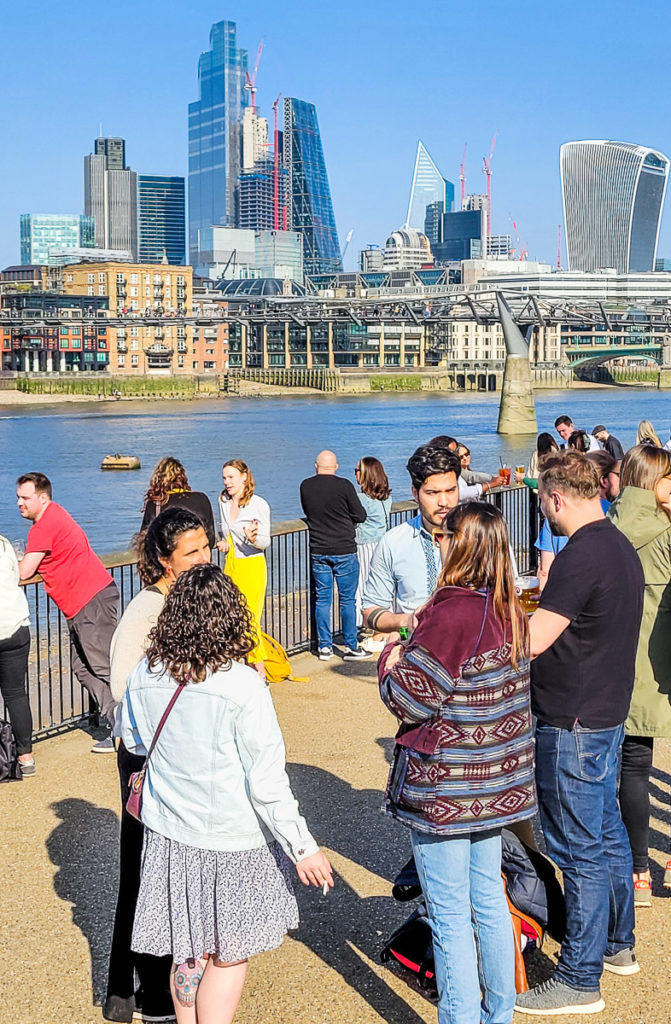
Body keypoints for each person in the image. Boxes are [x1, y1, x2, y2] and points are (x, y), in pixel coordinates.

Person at [120, 563, 333, 1024]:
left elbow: (134, 742)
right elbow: (267, 780)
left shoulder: (145, 673)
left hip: (169, 835)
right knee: (228, 952)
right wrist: (303, 846)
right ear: (228, 618)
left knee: (187, 947)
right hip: (231, 838)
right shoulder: (242, 685)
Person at [379, 502, 536, 1024]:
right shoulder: (511, 610)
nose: (438, 542)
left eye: (445, 536)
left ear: (456, 545)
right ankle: (499, 1013)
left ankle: (463, 1017)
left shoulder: (454, 611)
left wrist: (389, 661)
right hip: (493, 785)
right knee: (488, 899)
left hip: (447, 789)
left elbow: (409, 699)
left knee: (449, 915)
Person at [515, 452, 644, 1017]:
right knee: (607, 832)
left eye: (542, 498)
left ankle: (578, 976)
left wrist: (491, 620)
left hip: (573, 721)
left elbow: (535, 639)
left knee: (579, 848)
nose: (542, 506)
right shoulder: (617, 544)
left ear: (557, 498)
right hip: (606, 711)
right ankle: (617, 944)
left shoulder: (579, 556)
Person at [104, 509, 211, 1024]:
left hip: (177, 751)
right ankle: (131, 986)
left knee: (168, 871)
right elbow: (123, 689)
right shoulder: (147, 609)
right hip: (145, 754)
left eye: (206, 547)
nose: (204, 558)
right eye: (192, 552)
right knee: (141, 869)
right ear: (165, 562)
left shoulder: (192, 604)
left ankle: (153, 983)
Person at [607, 445, 671, 908]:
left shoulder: (605, 526)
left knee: (632, 764)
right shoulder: (667, 529)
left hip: (624, 662)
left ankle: (637, 870)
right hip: (663, 658)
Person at [16, 472, 119, 752]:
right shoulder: (55, 515)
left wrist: (8, 562)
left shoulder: (44, 525)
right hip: (86, 601)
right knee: (82, 668)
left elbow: (24, 571)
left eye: (25, 498)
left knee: (105, 667)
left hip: (90, 600)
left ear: (43, 497)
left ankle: (135, 730)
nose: (19, 504)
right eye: (18, 498)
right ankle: (118, 723)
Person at [362, 445, 461, 635]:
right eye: (432, 493)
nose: (444, 502)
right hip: (417, 656)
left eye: (450, 490)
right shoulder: (393, 542)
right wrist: (406, 620)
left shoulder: (483, 536)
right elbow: (370, 611)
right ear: (415, 493)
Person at [299, 450, 371, 661]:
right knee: (347, 600)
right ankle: (350, 646)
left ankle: (324, 646)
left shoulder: (306, 486)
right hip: (344, 548)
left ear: (316, 466)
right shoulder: (345, 486)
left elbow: (308, 510)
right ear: (336, 467)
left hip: (319, 549)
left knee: (323, 599)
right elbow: (360, 515)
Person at [217, 459, 271, 669]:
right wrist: (224, 543)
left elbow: (265, 542)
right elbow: (226, 534)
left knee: (250, 619)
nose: (227, 482)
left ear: (244, 477)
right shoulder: (222, 502)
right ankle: (239, 666)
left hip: (252, 566)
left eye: (231, 477)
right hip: (231, 566)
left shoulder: (258, 504)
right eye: (224, 478)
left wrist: (252, 538)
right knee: (231, 617)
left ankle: (259, 672)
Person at [0, 535, 34, 776]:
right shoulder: (4, 544)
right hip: (15, 624)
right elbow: (16, 576)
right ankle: (25, 757)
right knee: (15, 694)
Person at [353, 457, 392, 653]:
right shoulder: (386, 498)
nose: (356, 474)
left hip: (365, 545)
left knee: (363, 586)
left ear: (367, 474)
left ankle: (370, 626)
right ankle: (382, 625)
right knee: (382, 584)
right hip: (382, 542)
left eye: (358, 470)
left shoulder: (362, 500)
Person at [140, 457, 216, 548]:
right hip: (200, 556)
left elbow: (146, 540)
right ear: (183, 477)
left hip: (172, 558)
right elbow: (211, 537)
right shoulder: (202, 498)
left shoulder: (155, 504)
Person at [428, 436, 503, 497]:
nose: (464, 458)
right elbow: (459, 493)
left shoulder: (452, 471)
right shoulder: (440, 474)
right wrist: (490, 483)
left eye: (467, 454)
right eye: (452, 452)